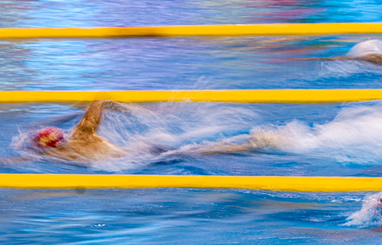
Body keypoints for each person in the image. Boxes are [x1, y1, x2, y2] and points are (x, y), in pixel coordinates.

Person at [20, 100, 275, 164]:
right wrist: (146, 112)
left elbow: (24, 160)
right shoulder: (82, 133)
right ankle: (249, 143)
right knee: (194, 150)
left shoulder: (59, 156)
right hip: (141, 151)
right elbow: (100, 101)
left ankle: (251, 145)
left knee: (197, 152)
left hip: (141, 160)